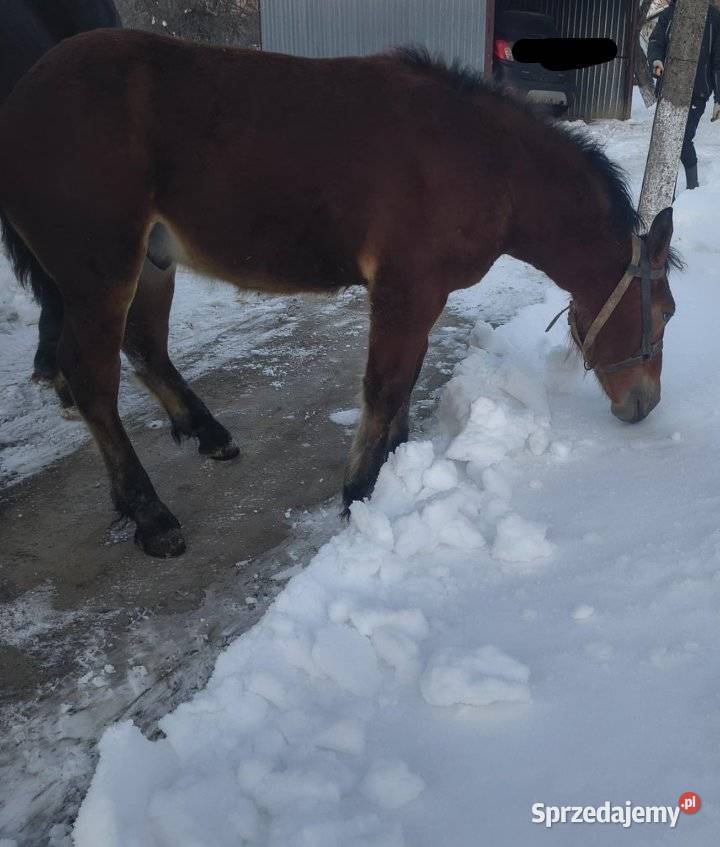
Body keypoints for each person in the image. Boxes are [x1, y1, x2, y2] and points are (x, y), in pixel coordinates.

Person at [648, 0, 720, 189]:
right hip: (669, 91)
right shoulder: (669, 13)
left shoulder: (714, 17)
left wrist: (719, 98)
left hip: (698, 92)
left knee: (683, 140)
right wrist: (656, 60)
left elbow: (718, 60)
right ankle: (663, 191)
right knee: (665, 140)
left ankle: (692, 188)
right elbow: (656, 41)